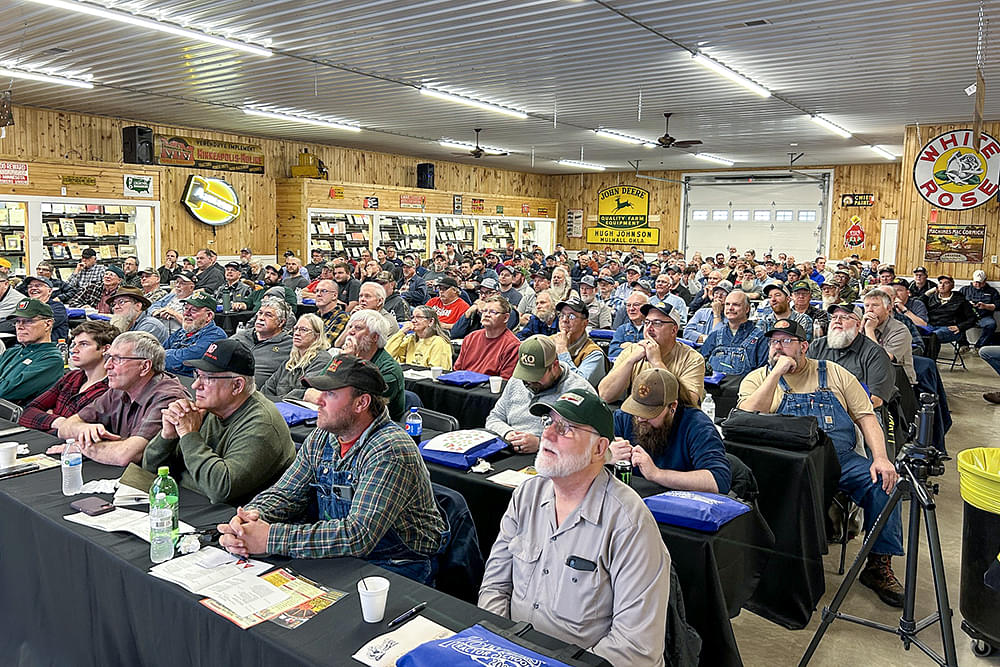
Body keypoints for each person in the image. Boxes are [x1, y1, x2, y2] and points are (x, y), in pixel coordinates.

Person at [478, 389, 670, 667]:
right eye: (549, 423)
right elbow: (494, 586)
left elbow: (635, 649)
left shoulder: (629, 523)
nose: (548, 435)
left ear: (600, 449)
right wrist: (500, 647)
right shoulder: (527, 495)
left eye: (565, 428)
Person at [217, 355, 447, 583]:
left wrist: (269, 538)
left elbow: (359, 534)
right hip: (346, 554)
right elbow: (285, 493)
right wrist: (250, 518)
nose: (318, 400)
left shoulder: (390, 449)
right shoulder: (323, 437)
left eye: (330, 393)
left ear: (361, 403)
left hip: (398, 563)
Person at [738, 319, 904, 607]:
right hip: (785, 465)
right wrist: (776, 373)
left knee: (886, 485)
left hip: (839, 460)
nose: (778, 347)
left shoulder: (834, 373)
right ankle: (775, 565)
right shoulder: (758, 379)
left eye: (786, 341)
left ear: (804, 346)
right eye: (774, 341)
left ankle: (878, 565)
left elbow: (866, 416)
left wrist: (880, 458)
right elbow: (746, 416)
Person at [143, 339, 296, 506]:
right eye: (197, 375)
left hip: (234, 520)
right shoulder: (210, 409)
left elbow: (220, 490)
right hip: (192, 505)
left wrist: (189, 435)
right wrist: (167, 436)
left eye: (207, 378)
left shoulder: (263, 424)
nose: (195, 385)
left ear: (237, 385)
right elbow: (150, 470)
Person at [49, 331, 188, 465]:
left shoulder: (168, 398)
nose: (107, 365)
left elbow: (126, 455)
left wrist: (82, 446)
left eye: (117, 359)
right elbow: (65, 428)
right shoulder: (120, 388)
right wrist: (84, 430)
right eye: (108, 357)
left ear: (144, 366)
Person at [611, 367, 731, 493]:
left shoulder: (697, 426)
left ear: (672, 406)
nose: (640, 418)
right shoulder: (624, 417)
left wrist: (657, 474)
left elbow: (718, 481)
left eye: (649, 413)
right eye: (637, 409)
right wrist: (606, 456)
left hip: (679, 505)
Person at [485, 335, 595, 454]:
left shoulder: (580, 391)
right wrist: (508, 433)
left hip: (554, 458)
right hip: (510, 450)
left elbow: (588, 442)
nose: (529, 382)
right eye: (525, 374)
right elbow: (494, 418)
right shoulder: (516, 381)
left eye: (536, 376)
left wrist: (541, 443)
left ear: (554, 366)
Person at [19, 321, 116, 433]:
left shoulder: (111, 389)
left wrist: (48, 418)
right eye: (74, 344)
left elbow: (82, 433)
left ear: (106, 349)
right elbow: (28, 412)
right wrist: (59, 422)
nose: (74, 350)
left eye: (84, 344)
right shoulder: (71, 377)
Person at [599, 302, 705, 404]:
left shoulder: (692, 359)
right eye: (646, 322)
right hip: (638, 416)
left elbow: (689, 404)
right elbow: (605, 396)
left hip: (675, 420)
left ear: (673, 330)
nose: (649, 328)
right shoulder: (632, 351)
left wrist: (657, 362)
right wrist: (630, 361)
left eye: (657, 323)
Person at [309, 310, 405, 421]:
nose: (350, 332)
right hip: (334, 418)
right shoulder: (342, 358)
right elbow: (311, 390)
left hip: (374, 429)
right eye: (350, 327)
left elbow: (355, 407)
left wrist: (350, 362)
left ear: (375, 337)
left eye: (358, 328)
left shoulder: (389, 370)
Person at [807, 303, 897, 407]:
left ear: (858, 325)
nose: (837, 321)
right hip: (817, 408)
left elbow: (876, 399)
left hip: (859, 413)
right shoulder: (817, 346)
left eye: (845, 317)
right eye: (834, 317)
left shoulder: (875, 353)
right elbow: (804, 380)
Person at [0, 299, 64, 403]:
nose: (20, 326)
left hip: (16, 417)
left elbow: (4, 392)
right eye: (17, 321)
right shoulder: (11, 352)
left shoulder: (51, 359)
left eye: (28, 321)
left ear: (47, 324)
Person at [261, 314, 333, 402]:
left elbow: (302, 393)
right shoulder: (290, 361)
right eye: (296, 329)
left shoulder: (322, 360)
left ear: (316, 336)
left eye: (303, 330)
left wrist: (271, 402)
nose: (297, 333)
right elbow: (267, 388)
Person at [701, 290, 768, 376]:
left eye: (736, 305)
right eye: (727, 304)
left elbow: (762, 373)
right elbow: (700, 363)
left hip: (744, 388)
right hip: (713, 388)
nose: (730, 308)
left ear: (747, 309)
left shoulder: (760, 337)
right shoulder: (715, 336)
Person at [163, 290, 228, 376]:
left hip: (194, 384)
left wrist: (162, 356)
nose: (186, 313)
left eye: (193, 310)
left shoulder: (216, 336)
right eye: (186, 308)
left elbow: (186, 361)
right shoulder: (182, 331)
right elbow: (159, 350)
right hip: (170, 379)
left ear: (209, 316)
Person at [453, 295, 520, 378]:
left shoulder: (513, 345)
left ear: (506, 318)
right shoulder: (470, 338)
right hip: (463, 386)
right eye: (484, 311)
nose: (486, 315)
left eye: (493, 312)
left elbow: (505, 380)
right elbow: (457, 370)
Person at [233, 299, 294, 387]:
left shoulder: (289, 345)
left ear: (281, 322)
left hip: (259, 394)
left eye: (268, 315)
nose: (261, 318)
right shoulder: (240, 337)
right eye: (260, 313)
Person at [862, 288, 916, 385]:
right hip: (868, 375)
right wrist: (859, 329)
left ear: (888, 308)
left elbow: (879, 360)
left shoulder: (900, 330)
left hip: (897, 381)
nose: (869, 310)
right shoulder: (862, 325)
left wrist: (869, 330)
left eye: (875, 305)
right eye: (866, 306)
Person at [552, 296, 606, 387]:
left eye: (571, 316)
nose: (564, 320)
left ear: (585, 323)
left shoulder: (594, 354)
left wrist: (562, 351)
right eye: (562, 315)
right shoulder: (550, 341)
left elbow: (579, 386)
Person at [385, 306, 453, 370]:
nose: (413, 321)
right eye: (413, 317)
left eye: (418, 317)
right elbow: (387, 356)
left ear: (431, 321)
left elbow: (438, 371)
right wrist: (401, 332)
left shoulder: (439, 343)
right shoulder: (410, 339)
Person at [926, 274, 976, 345]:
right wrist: (927, 293)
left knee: (933, 336)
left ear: (952, 286)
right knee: (918, 333)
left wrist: (960, 327)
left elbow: (973, 318)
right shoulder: (931, 298)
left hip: (949, 328)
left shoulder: (960, 301)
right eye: (940, 283)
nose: (942, 285)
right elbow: (918, 303)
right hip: (931, 326)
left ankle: (928, 356)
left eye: (946, 283)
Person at [959, 269, 999, 348]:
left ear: (985, 280)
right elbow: (956, 303)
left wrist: (985, 306)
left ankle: (979, 346)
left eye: (980, 283)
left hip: (984, 317)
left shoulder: (992, 291)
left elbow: (998, 306)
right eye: (976, 282)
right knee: (956, 320)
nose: (978, 285)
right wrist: (967, 305)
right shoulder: (965, 290)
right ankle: (963, 345)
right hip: (967, 316)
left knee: (991, 324)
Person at [22, 277, 68, 342]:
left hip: (50, 347)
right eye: (30, 286)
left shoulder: (58, 308)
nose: (33, 288)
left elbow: (37, 326)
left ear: (50, 291)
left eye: (38, 285)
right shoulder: (26, 306)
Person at [150, 272, 196, 336]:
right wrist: (158, 312)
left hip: (179, 336)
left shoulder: (195, 301)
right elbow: (153, 306)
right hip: (159, 332)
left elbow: (193, 325)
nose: (177, 285)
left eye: (182, 283)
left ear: (191, 287)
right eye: (177, 282)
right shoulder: (171, 296)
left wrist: (173, 314)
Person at [607, 291, 647, 361]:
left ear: (647, 307)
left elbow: (655, 352)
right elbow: (613, 353)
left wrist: (630, 347)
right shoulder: (622, 329)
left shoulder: (653, 329)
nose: (631, 309)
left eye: (636, 305)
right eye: (628, 305)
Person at [312, 278, 350, 343]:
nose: (318, 294)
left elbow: (326, 343)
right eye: (317, 291)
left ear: (334, 295)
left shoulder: (342, 317)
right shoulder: (313, 316)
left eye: (324, 291)